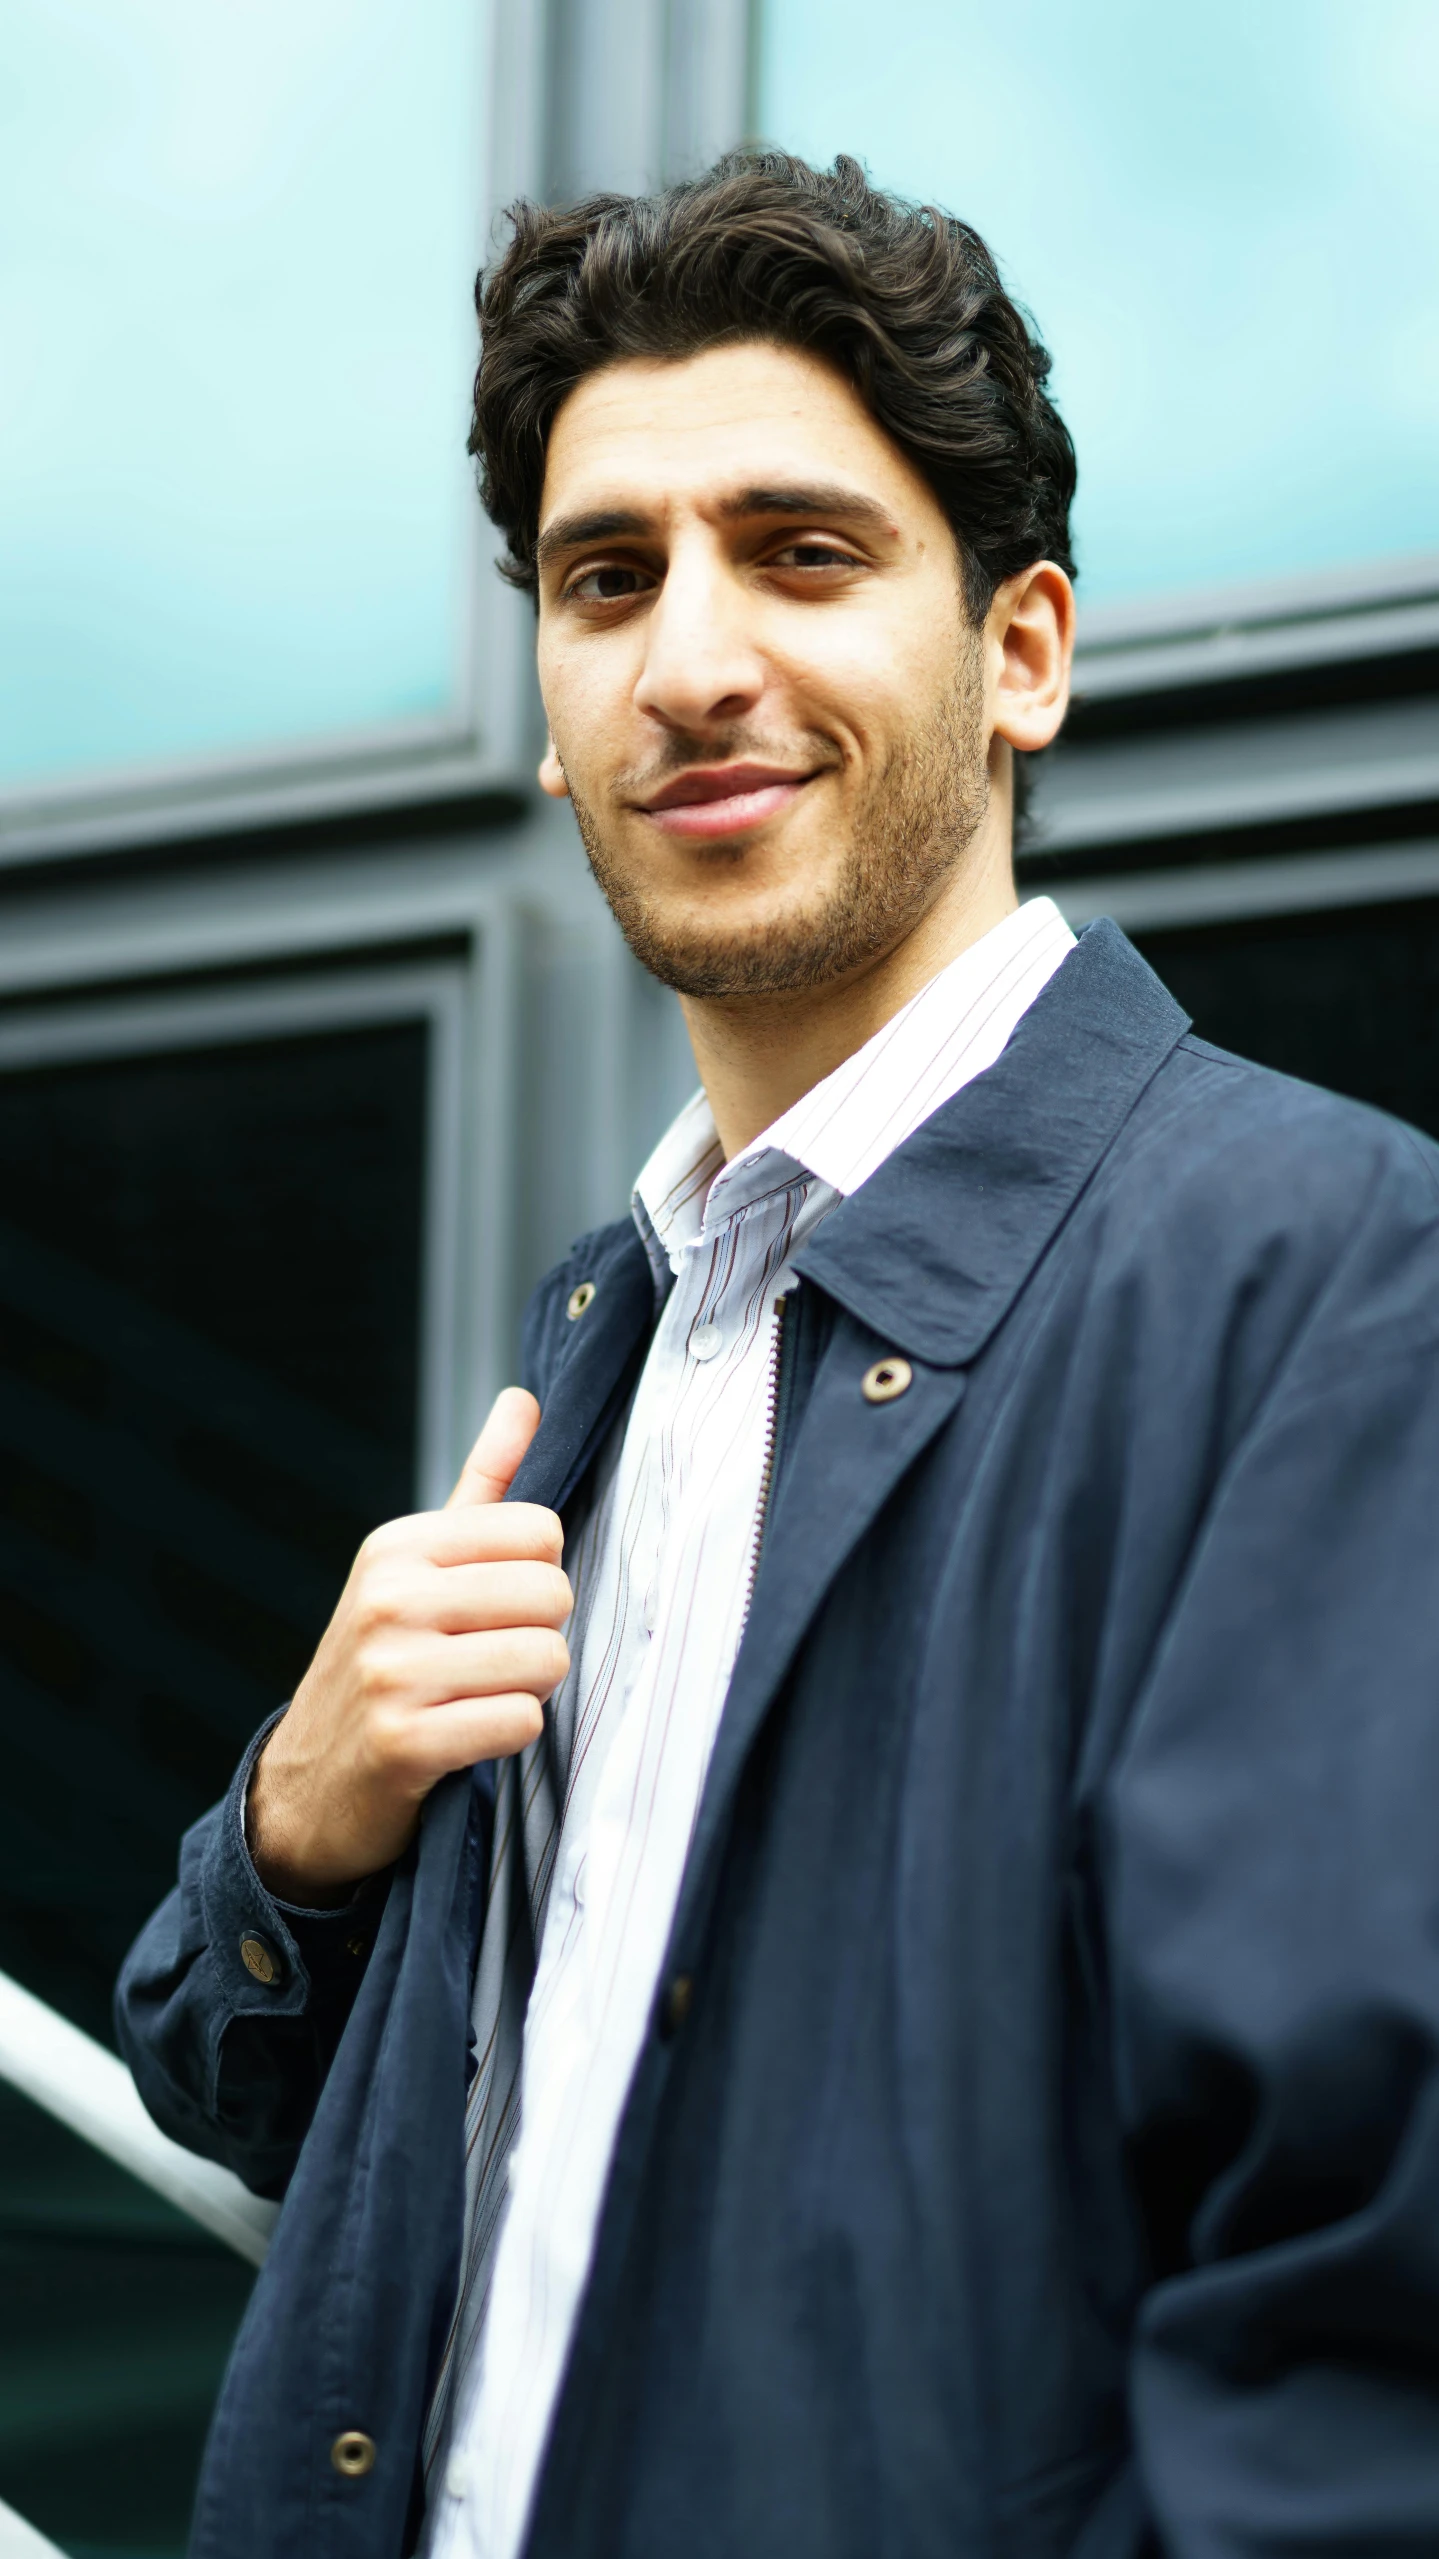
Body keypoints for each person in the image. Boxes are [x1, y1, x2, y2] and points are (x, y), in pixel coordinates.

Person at [118, 153, 1439, 2559]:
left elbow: (1356, 2352)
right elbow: (306, 2117)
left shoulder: (1329, 1276)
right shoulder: (610, 1330)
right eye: (604, 578)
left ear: (1019, 650)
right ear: (545, 702)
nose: (689, 657)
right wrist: (296, 1829)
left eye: (800, 552)